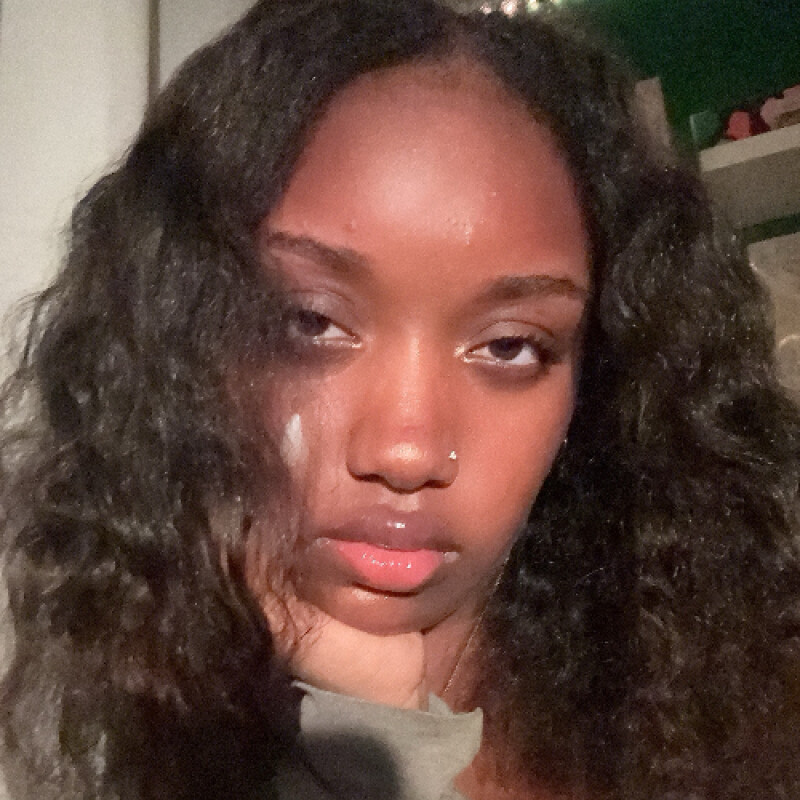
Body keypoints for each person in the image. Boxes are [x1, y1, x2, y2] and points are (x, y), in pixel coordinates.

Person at [1, 1, 798, 799]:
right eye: (310, 322)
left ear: (597, 381)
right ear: (183, 335)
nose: (407, 452)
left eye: (510, 346)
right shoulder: (76, 732)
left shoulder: (739, 720)